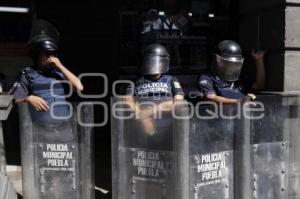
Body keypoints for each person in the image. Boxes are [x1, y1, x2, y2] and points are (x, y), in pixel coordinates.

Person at [13, 19, 83, 122]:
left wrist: (60, 66)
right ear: (37, 55)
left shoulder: (61, 74)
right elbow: (14, 100)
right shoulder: (27, 74)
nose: (50, 58)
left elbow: (79, 87)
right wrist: (28, 99)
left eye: (52, 54)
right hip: (40, 131)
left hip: (65, 131)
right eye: (46, 54)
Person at [124, 44, 184, 147]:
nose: (151, 65)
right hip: (141, 129)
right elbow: (127, 100)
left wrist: (153, 109)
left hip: (168, 127)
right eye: (148, 61)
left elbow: (178, 101)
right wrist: (143, 118)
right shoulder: (136, 81)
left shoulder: (171, 80)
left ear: (163, 62)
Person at [197, 40, 266, 104]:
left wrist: (259, 60)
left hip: (239, 115)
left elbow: (259, 86)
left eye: (234, 64)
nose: (232, 66)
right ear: (217, 61)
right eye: (228, 63)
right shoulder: (207, 78)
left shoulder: (240, 78)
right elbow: (210, 97)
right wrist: (237, 102)